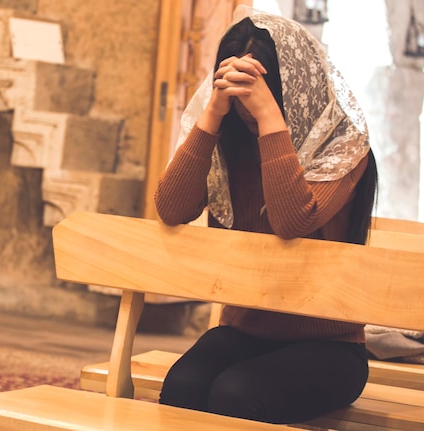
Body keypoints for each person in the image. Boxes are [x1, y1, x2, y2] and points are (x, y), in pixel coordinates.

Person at [154, 5, 378, 425]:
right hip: (244, 330)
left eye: (256, 93)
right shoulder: (228, 141)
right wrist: (212, 115)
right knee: (182, 386)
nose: (245, 109)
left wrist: (269, 117)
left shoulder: (342, 148)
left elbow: (291, 222)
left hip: (331, 347)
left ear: (295, 87)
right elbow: (171, 209)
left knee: (237, 393)